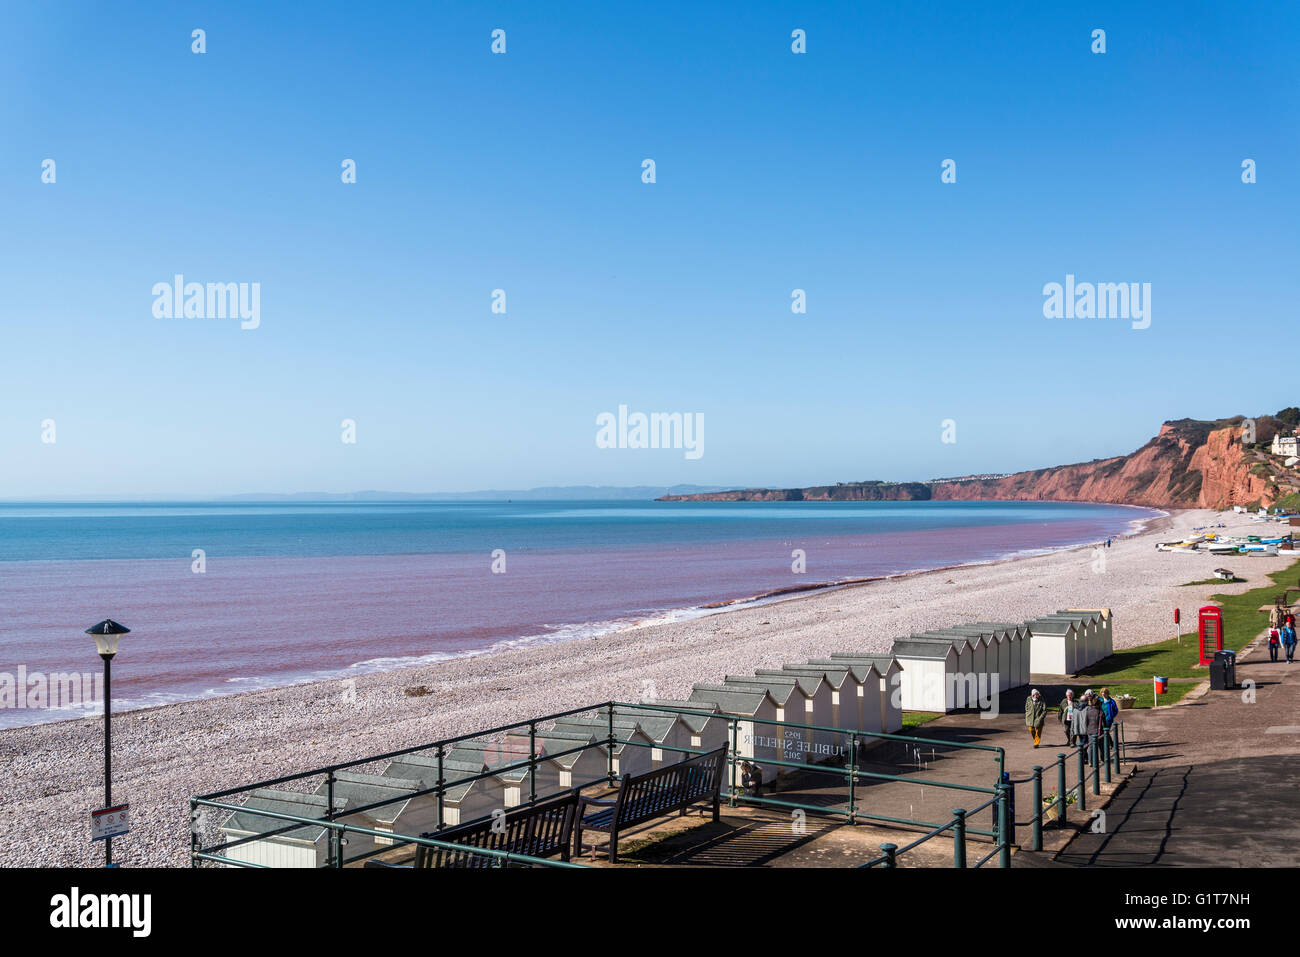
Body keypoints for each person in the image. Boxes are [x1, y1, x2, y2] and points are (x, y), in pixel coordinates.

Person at [1081, 694, 1103, 763]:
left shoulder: (1088, 711)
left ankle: (1091, 761)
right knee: (1101, 746)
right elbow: (1104, 722)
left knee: (1091, 747)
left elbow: (1086, 722)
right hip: (1099, 731)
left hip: (1090, 731)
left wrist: (1087, 729)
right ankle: (1103, 759)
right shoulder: (1100, 711)